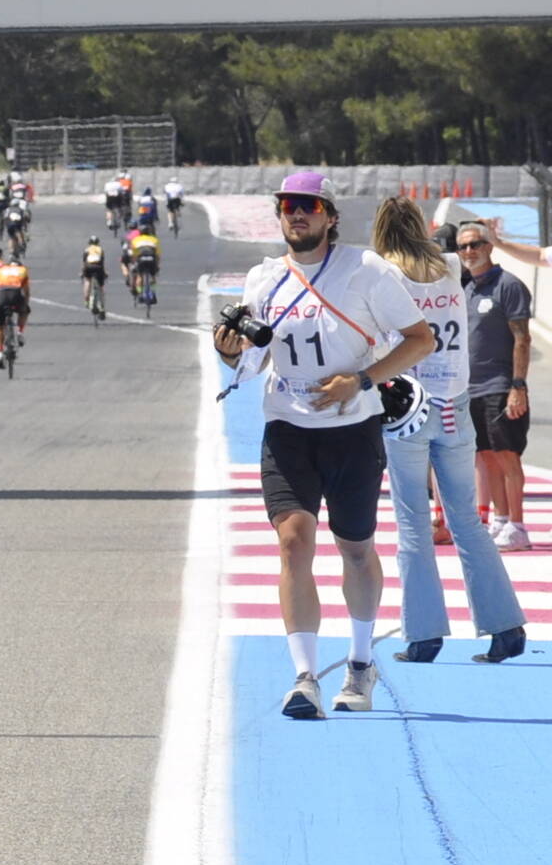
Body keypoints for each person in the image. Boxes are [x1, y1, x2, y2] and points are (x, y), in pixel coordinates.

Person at [216, 172, 436, 720]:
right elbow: (254, 357)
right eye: (288, 206)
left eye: (308, 206)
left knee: (355, 547)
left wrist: (362, 381)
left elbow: (420, 339)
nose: (297, 215)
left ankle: (361, 663)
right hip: (287, 427)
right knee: (293, 541)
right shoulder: (264, 278)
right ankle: (304, 676)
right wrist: (229, 352)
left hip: (351, 429)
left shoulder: (365, 270)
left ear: (329, 215)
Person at [367, 200, 523, 664]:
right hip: (456, 403)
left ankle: (423, 634)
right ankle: (505, 626)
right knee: (467, 520)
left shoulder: (380, 272)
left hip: (406, 407)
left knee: (412, 522)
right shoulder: (452, 265)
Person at [455, 222, 535, 550]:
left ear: (489, 246)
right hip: (471, 388)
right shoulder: (467, 289)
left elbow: (522, 339)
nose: (469, 252)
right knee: (486, 457)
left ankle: (517, 525)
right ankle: (500, 519)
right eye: (463, 247)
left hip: (501, 386)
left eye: (475, 244)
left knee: (507, 456)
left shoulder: (509, 286)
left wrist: (518, 385)